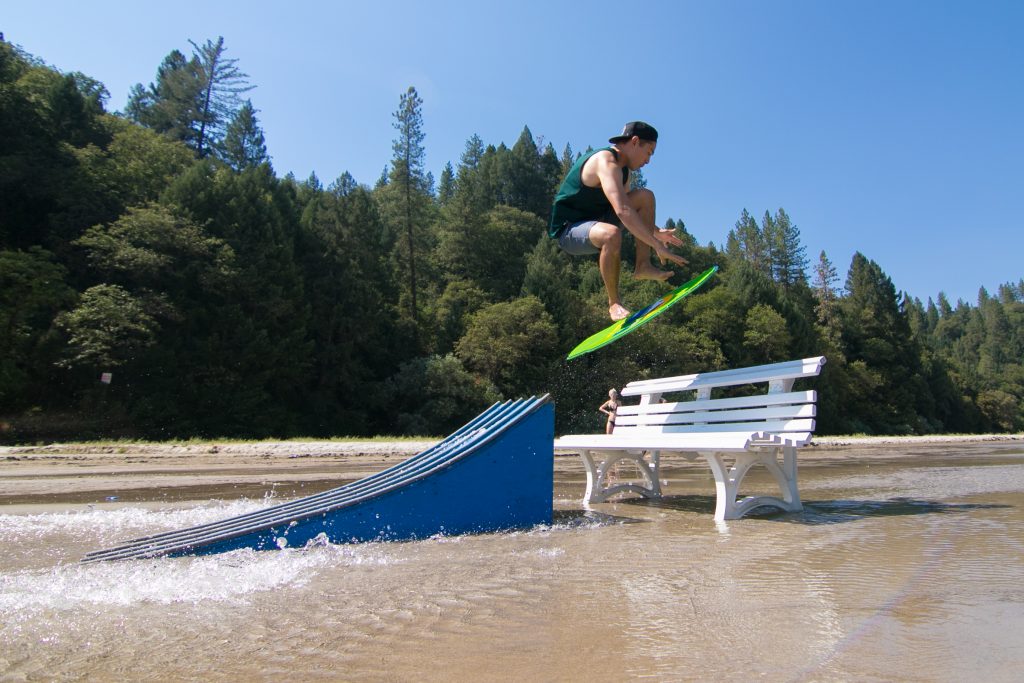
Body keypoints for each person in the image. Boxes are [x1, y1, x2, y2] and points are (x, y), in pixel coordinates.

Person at [549, 121, 688, 321]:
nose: (648, 161)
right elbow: (623, 211)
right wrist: (656, 244)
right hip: (569, 230)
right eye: (649, 153)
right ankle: (614, 303)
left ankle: (643, 265)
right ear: (635, 141)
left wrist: (657, 232)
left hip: (599, 220)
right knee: (611, 234)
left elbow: (629, 207)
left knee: (645, 196)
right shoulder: (605, 161)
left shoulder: (624, 171)